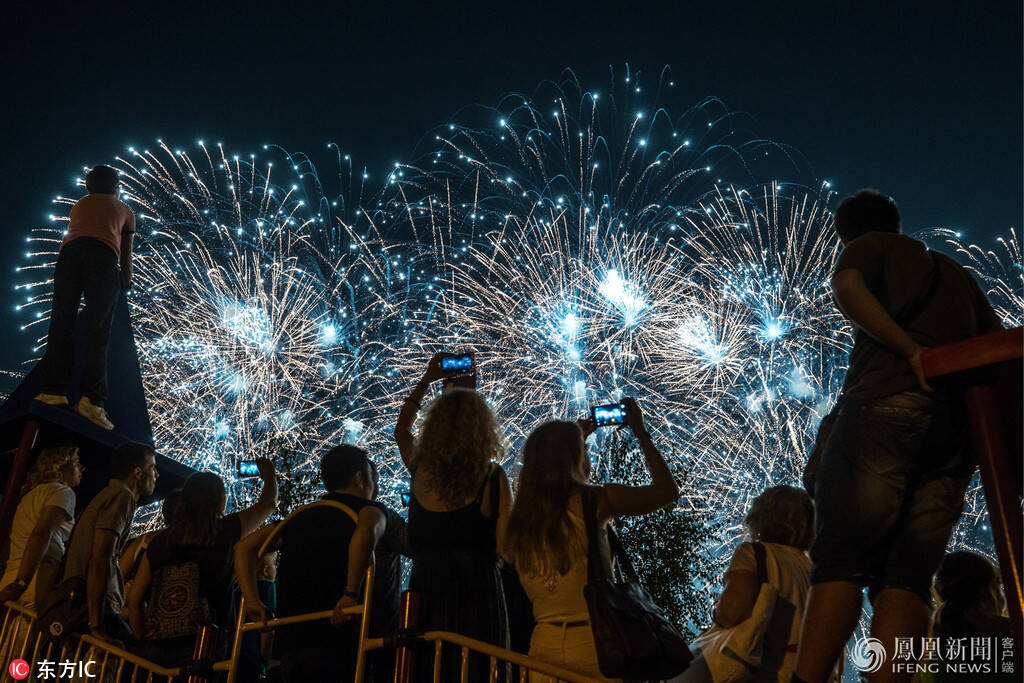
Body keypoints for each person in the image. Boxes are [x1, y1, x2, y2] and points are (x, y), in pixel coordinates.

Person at [793, 190, 1003, 683]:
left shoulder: (869, 246)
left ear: (850, 233)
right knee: (907, 577)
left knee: (841, 563)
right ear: (898, 221)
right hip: (953, 433)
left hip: (882, 413)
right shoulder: (957, 274)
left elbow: (847, 286)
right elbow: (993, 350)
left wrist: (910, 350)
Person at [504, 401, 677, 682]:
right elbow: (666, 490)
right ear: (575, 458)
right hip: (595, 645)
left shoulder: (519, 517)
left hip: (542, 648)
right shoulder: (595, 501)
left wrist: (574, 440)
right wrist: (640, 432)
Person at [235, 445, 408, 683]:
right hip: (357, 646)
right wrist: (350, 593)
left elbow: (243, 548)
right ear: (359, 478)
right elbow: (370, 531)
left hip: (296, 645)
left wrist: (253, 602)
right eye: (372, 474)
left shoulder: (298, 517)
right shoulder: (372, 511)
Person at [395, 355, 513, 682]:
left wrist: (427, 378)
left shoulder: (420, 470)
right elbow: (507, 547)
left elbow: (401, 430)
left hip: (426, 594)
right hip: (478, 597)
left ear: (435, 427)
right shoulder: (492, 478)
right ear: (483, 429)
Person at [125, 460, 277, 666]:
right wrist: (268, 475)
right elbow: (267, 504)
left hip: (159, 645)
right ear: (218, 500)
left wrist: (142, 637)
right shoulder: (225, 530)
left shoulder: (161, 540)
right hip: (206, 643)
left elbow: (135, 598)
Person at [34, 164, 136, 430]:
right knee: (98, 330)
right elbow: (125, 257)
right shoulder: (126, 211)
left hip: (69, 255)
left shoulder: (79, 205)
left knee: (60, 322)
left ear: (88, 187)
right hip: (103, 259)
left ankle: (53, 391)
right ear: (117, 187)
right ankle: (92, 400)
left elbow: (76, 236)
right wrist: (124, 282)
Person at [686, 485, 814, 683]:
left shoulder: (754, 553)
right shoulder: (813, 570)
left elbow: (732, 612)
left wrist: (716, 611)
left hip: (759, 672)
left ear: (760, 516)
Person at [62, 442, 157, 642]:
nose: (157, 474)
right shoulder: (122, 497)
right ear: (137, 473)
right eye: (152, 468)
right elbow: (101, 557)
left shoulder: (110, 494)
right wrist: (95, 623)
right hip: (92, 606)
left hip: (88, 601)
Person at [0, 446, 84, 607]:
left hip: (12, 573)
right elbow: (42, 532)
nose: (81, 468)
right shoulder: (63, 492)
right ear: (60, 465)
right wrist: (22, 582)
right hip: (35, 577)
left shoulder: (31, 494)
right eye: (76, 462)